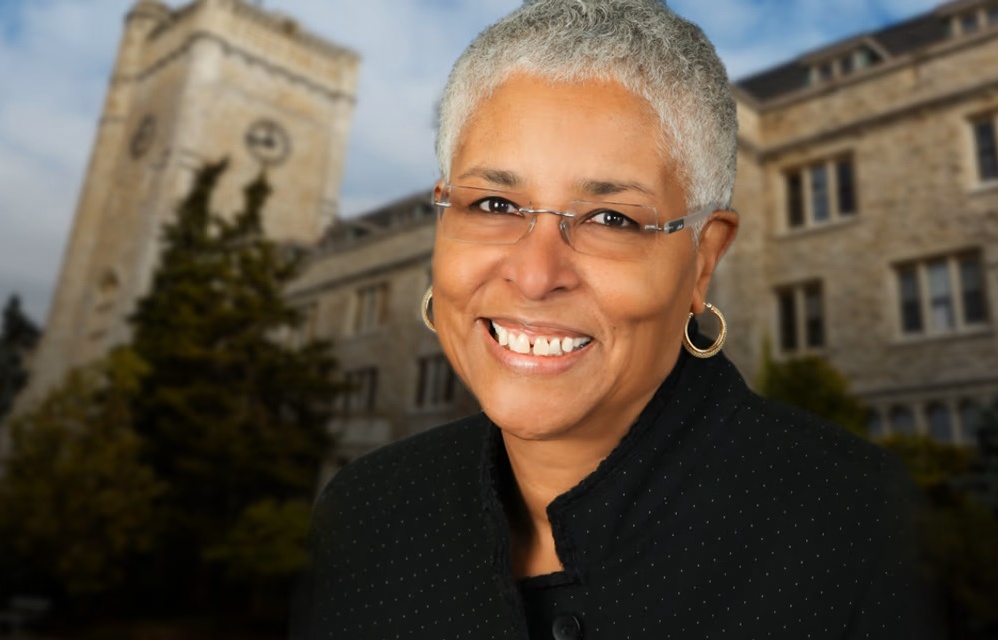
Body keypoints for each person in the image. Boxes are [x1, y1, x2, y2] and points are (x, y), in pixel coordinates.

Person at [295, 1, 941, 638]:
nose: (535, 273)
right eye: (494, 202)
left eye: (612, 219)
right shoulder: (364, 513)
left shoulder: (858, 531)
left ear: (702, 260)